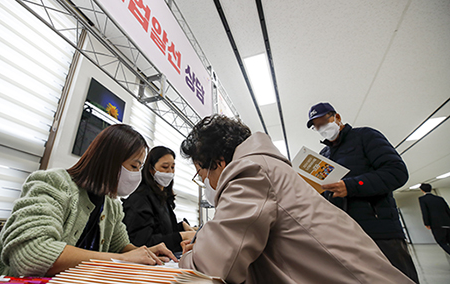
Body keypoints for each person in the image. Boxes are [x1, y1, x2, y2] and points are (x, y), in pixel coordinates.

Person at [178, 114, 414, 284]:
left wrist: (192, 254)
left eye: (202, 174)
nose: (205, 183)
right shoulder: (267, 166)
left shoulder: (250, 170)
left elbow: (211, 269)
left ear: (219, 162)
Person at [0, 124, 176, 279]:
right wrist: (122, 259)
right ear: (110, 160)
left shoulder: (111, 204)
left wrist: (146, 253)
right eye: (134, 166)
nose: (136, 175)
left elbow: (121, 245)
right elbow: (32, 254)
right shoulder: (54, 183)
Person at [306, 102, 419, 283]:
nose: (321, 128)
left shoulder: (365, 136)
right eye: (317, 126)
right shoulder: (324, 154)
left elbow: (396, 172)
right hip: (346, 235)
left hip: (380, 232)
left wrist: (351, 186)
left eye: (323, 122)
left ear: (337, 117)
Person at [122, 146, 196, 253]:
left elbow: (164, 229)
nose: (170, 172)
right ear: (151, 169)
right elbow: (142, 242)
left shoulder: (162, 198)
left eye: (172, 167)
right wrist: (181, 236)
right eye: (165, 167)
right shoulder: (140, 199)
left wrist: (182, 226)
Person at [419, 183, 450, 255]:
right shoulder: (440, 198)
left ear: (422, 190)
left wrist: (426, 223)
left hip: (436, 224)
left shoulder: (422, 199)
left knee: (441, 242)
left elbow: (425, 211)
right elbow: (447, 210)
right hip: (447, 223)